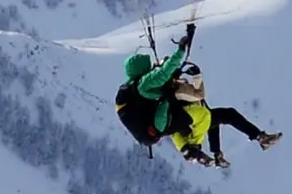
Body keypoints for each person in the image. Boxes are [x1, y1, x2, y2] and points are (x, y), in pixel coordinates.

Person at [115, 21, 280, 169]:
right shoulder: (146, 84)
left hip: (163, 125)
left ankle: (209, 151)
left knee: (217, 117)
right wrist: (182, 53)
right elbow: (196, 94)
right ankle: (195, 150)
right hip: (170, 122)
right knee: (210, 116)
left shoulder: (137, 90)